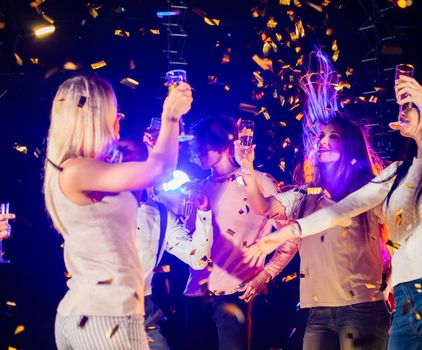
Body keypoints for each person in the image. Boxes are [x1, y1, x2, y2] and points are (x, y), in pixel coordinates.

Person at [245, 75, 422, 349]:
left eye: (410, 105)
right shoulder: (395, 172)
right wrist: (286, 233)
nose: (401, 111)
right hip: (405, 294)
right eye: (402, 106)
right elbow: (341, 210)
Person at [236, 50, 391, 350]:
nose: (322, 142)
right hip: (317, 311)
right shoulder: (305, 197)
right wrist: (247, 169)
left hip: (360, 307)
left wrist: (394, 281)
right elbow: (262, 207)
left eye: (332, 137)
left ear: (350, 147)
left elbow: (398, 237)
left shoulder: (369, 195)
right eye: (321, 137)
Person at [44, 74, 192, 349]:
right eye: (114, 114)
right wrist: (170, 117)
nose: (119, 120)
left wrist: (157, 140)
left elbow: (141, 164)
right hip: (107, 317)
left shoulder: (83, 168)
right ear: (93, 119)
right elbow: (159, 170)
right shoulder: (76, 169)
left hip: (93, 314)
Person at [184, 115, 298, 350]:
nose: (199, 150)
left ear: (225, 143)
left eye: (206, 142)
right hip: (196, 294)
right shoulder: (200, 188)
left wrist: (265, 275)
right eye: (197, 144)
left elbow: (290, 238)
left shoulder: (258, 182)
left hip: (234, 293)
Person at [118, 139, 213, 350]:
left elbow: (197, 260)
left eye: (132, 158)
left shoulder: (160, 213)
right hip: (101, 309)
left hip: (144, 309)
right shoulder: (100, 202)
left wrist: (203, 215)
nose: (124, 163)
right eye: (120, 158)